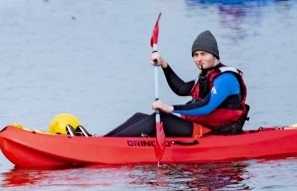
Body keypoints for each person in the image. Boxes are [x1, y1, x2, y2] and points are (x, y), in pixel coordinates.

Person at [106, 30, 249, 138]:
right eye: (195, 55)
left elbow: (206, 107)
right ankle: (104, 140)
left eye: (203, 54)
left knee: (161, 118)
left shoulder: (227, 79)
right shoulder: (207, 77)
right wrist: (164, 65)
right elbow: (181, 88)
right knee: (139, 116)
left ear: (215, 55)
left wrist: (170, 108)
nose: (199, 59)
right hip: (203, 125)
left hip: (215, 132)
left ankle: (106, 146)